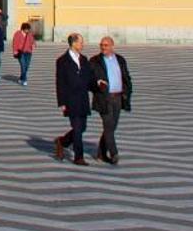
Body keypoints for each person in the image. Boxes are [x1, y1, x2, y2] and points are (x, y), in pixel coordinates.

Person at [91, 35, 135, 165]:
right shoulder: (95, 61)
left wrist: (127, 91)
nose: (103, 47)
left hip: (118, 97)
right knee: (108, 125)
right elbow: (89, 79)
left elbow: (126, 77)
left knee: (112, 127)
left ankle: (101, 153)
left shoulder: (120, 59)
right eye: (101, 45)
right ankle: (114, 153)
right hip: (104, 98)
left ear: (112, 46)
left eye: (106, 45)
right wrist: (97, 83)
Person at [53, 33, 94, 164]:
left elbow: (89, 77)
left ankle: (62, 141)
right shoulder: (62, 60)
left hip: (83, 98)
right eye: (81, 42)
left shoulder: (84, 59)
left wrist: (97, 83)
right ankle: (79, 157)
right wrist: (62, 102)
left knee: (82, 127)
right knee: (77, 128)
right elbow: (60, 82)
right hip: (70, 99)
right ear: (74, 43)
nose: (83, 44)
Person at [11, 21, 36, 86]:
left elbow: (33, 41)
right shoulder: (17, 34)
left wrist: (33, 45)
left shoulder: (29, 34)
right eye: (26, 29)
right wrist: (15, 51)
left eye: (28, 29)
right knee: (23, 66)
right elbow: (15, 42)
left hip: (28, 52)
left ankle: (21, 78)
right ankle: (24, 80)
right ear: (23, 29)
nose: (27, 30)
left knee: (27, 66)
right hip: (20, 52)